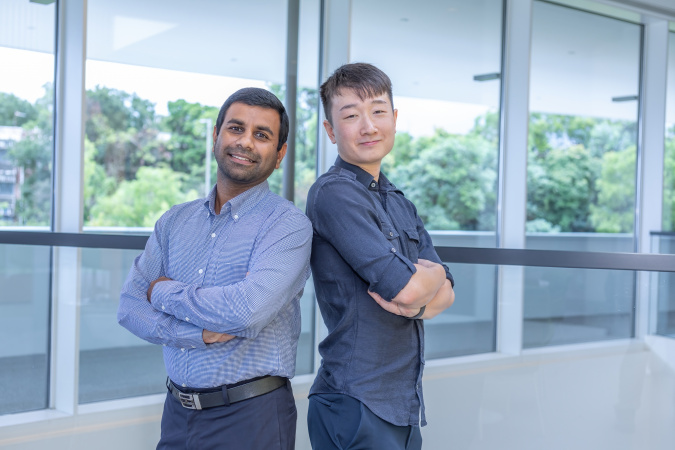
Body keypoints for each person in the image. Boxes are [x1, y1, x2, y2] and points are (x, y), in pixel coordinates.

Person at [117, 87, 312, 450]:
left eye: (262, 135)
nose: (245, 142)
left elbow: (245, 311)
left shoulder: (287, 226)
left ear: (280, 153)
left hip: (251, 418)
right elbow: (128, 307)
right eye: (236, 128)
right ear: (216, 136)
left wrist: (160, 291)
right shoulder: (175, 221)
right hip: (176, 413)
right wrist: (197, 333)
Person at [305, 63, 456, 450]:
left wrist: (425, 292)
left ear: (394, 118)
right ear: (330, 130)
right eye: (351, 115)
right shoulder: (334, 194)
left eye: (378, 111)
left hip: (401, 402)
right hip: (357, 401)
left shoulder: (397, 201)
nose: (368, 126)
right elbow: (407, 290)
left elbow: (446, 296)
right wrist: (427, 282)